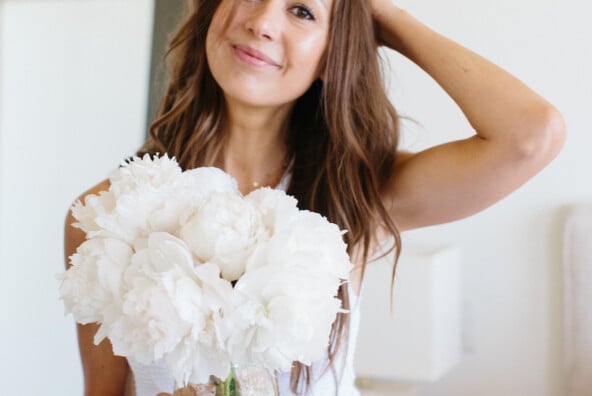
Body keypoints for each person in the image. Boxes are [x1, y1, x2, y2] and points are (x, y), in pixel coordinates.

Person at [63, 0, 566, 395]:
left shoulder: (357, 197)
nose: (262, 22)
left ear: (332, 52)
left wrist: (384, 18)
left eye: (302, 10)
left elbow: (530, 136)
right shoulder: (109, 214)